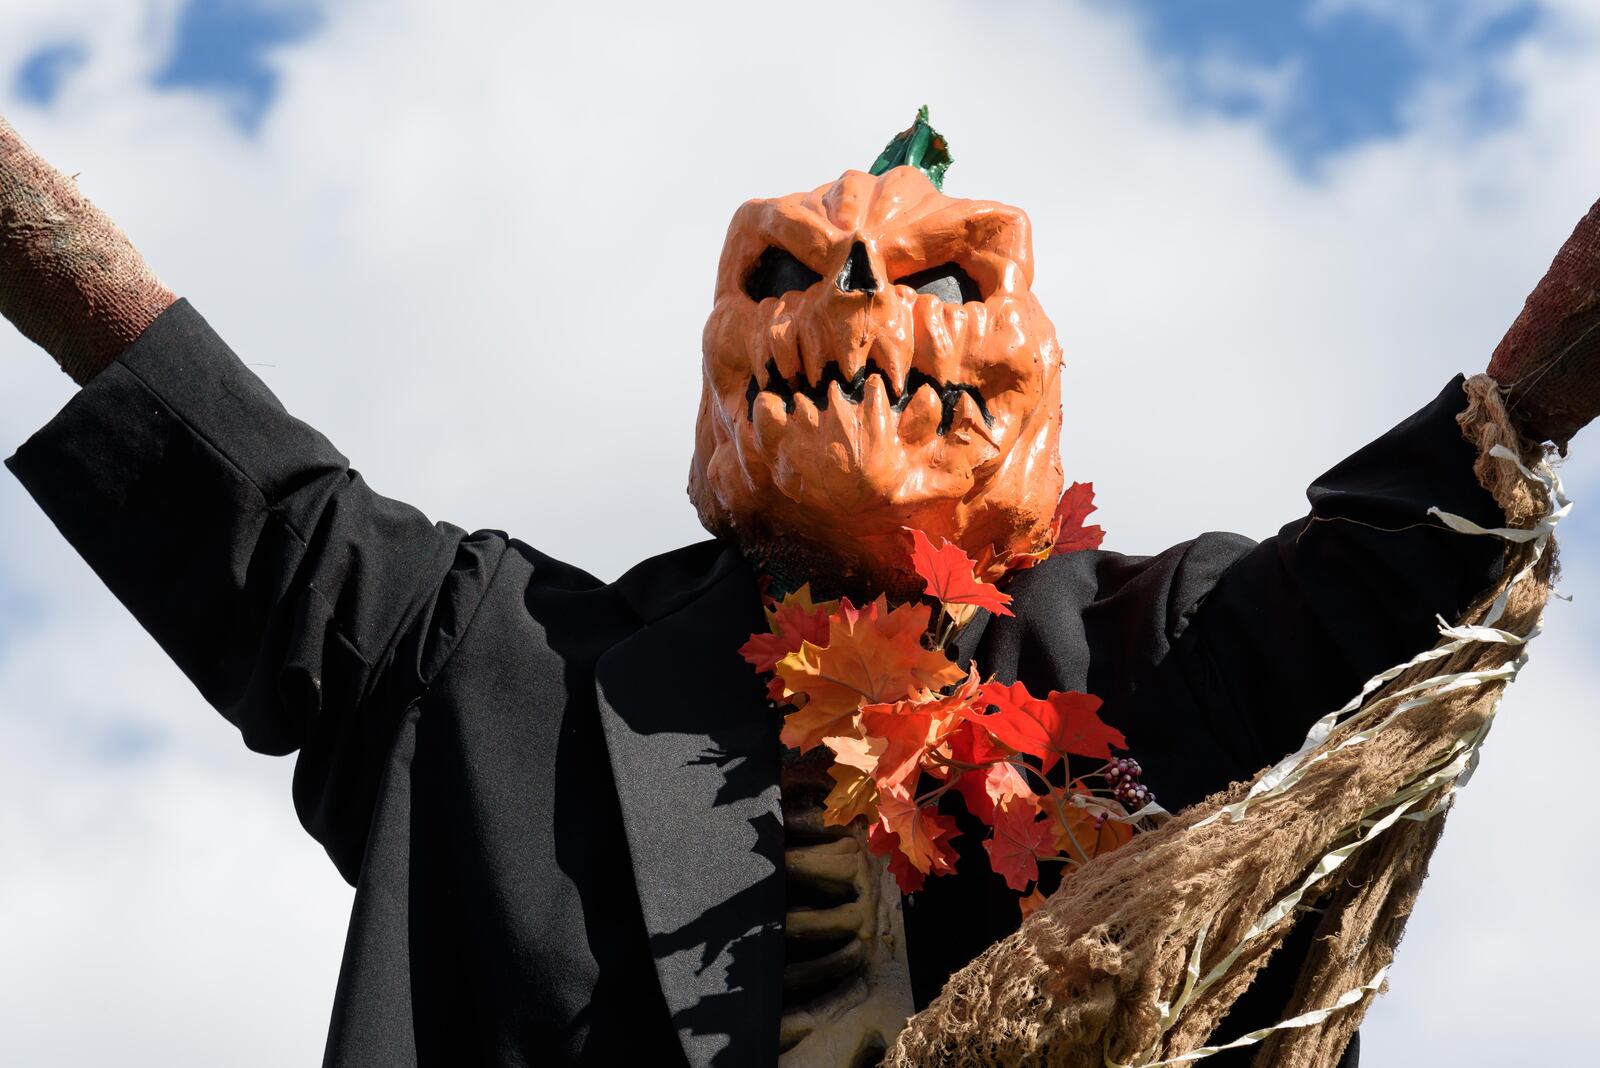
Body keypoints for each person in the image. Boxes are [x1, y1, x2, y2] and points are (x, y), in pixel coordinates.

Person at [2, 111, 1596, 1067]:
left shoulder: (1155, 653)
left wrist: (1539, 391)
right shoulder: (492, 668)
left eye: (943, 278)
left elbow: (1411, 545)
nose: (857, 305)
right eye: (786, 272)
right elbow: (252, 493)